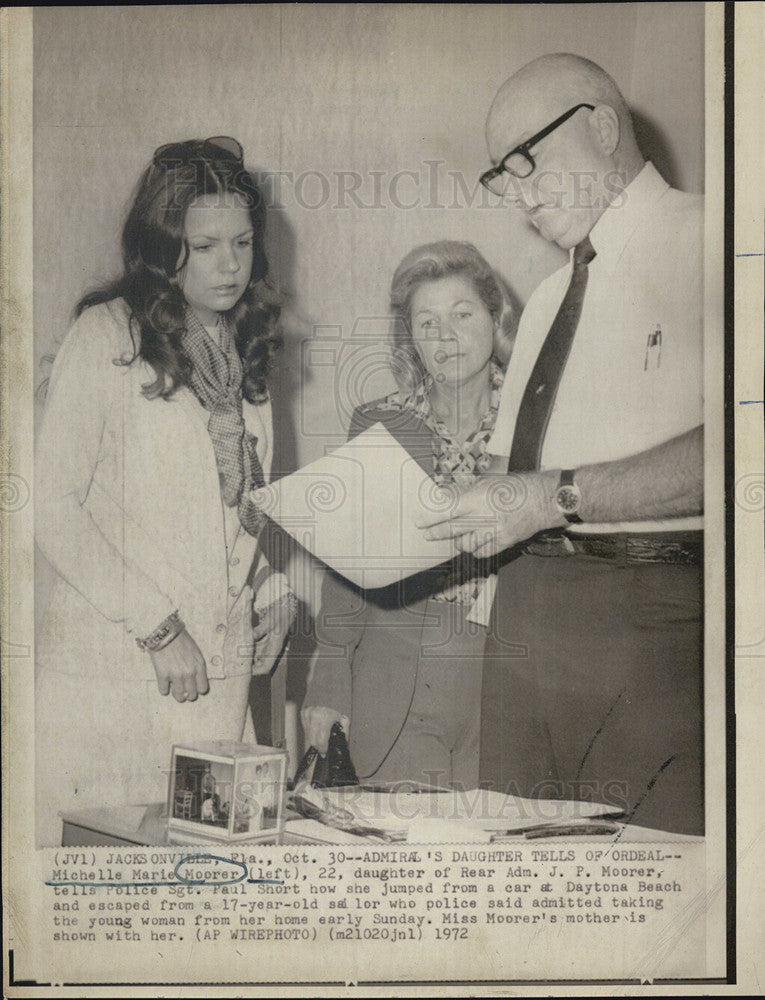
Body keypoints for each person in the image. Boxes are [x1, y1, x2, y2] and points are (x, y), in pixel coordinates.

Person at [417, 54, 706, 835]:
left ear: (601, 127)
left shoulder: (712, 240)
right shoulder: (545, 297)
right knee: (522, 865)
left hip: (647, 618)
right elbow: (514, 473)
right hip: (524, 620)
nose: (515, 196)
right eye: (499, 178)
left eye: (524, 163)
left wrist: (553, 497)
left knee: (650, 879)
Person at [35, 137, 297, 846]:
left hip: (217, 677)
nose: (230, 264)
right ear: (161, 244)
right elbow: (52, 505)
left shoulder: (247, 354)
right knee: (111, 892)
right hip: (120, 665)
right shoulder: (106, 337)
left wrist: (273, 588)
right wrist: (157, 625)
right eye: (204, 244)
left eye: (242, 242)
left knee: (208, 888)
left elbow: (238, 510)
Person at [302, 241, 515, 789]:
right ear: (410, 340)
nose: (445, 337)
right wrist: (328, 679)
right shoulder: (379, 426)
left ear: (496, 318)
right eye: (427, 323)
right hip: (394, 678)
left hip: (505, 682)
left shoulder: (537, 422)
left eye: (462, 315)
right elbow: (348, 569)